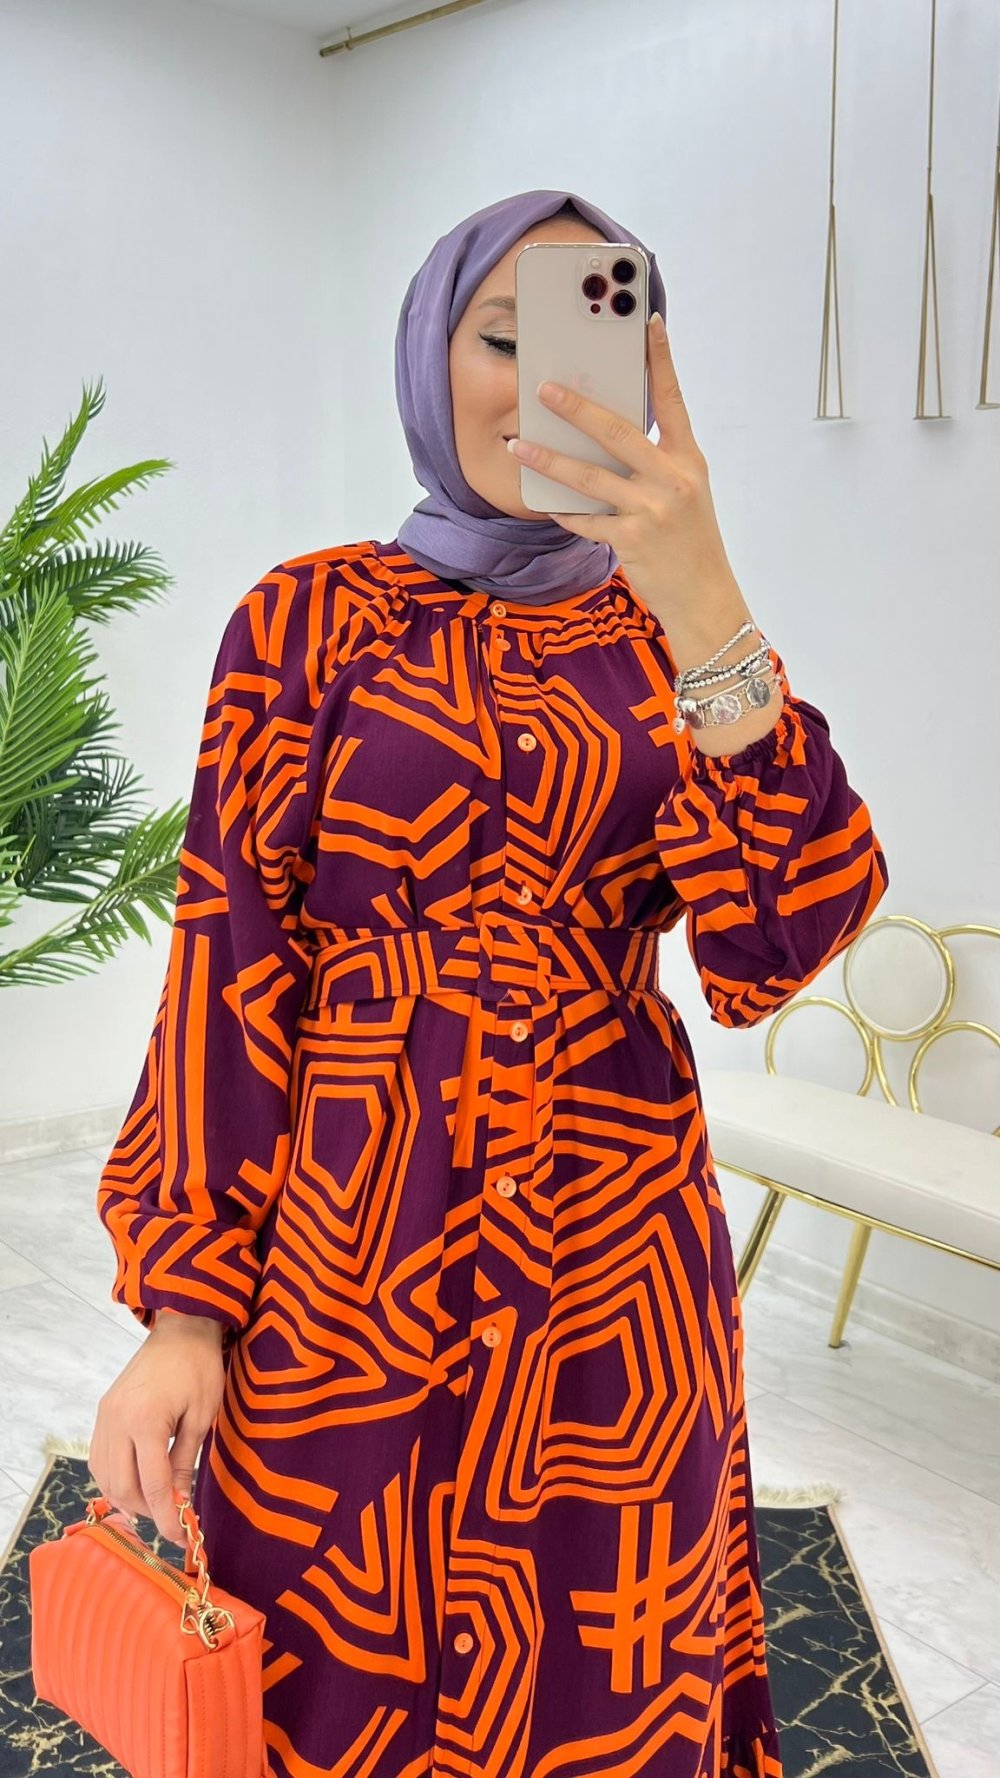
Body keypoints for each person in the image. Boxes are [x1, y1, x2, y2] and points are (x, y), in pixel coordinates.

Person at [90, 188, 889, 1778]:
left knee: (610, 1662)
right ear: (425, 354)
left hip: (613, 1263)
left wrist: (707, 597)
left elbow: (779, 944)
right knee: (325, 1654)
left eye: (586, 345)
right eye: (501, 341)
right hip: (346, 1252)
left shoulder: (674, 639)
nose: (541, 388)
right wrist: (185, 1311)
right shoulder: (306, 621)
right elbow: (229, 966)